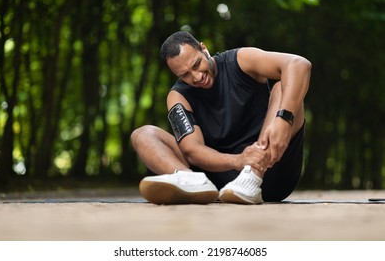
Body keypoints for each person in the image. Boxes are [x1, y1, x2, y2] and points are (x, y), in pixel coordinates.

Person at [131, 31, 311, 205]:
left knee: (282, 87)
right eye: (185, 75)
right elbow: (192, 150)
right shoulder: (178, 96)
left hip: (272, 169)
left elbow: (299, 64)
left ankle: (252, 176)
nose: (197, 77)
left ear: (204, 48)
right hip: (218, 180)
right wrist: (238, 160)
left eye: (196, 65)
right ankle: (191, 182)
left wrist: (283, 119)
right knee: (143, 134)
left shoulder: (241, 60)